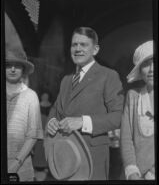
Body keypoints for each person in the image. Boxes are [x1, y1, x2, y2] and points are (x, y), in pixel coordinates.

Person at [45, 27, 124, 180]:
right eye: (74, 45)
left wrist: (82, 122)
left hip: (92, 160)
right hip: (64, 158)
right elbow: (55, 110)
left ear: (95, 49)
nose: (78, 49)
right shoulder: (66, 79)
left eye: (83, 45)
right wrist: (52, 121)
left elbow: (118, 117)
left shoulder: (108, 76)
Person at [6, 47, 43, 181]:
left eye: (18, 66)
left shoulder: (31, 96)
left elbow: (33, 135)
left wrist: (16, 163)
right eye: (8, 65)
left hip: (21, 166)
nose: (13, 69)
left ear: (23, 70)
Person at [120, 40, 155, 180]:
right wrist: (132, 171)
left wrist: (152, 173)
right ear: (140, 70)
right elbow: (126, 138)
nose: (152, 69)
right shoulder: (133, 96)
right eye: (146, 64)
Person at [32, 92, 52, 181]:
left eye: (46, 95)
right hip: (39, 128)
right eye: (43, 95)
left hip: (48, 129)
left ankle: (46, 167)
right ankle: (37, 166)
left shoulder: (51, 106)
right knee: (39, 148)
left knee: (46, 149)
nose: (45, 96)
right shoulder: (37, 106)